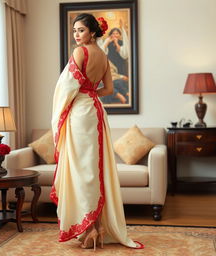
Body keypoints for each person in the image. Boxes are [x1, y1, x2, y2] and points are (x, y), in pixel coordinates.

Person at [51, 13, 144, 251]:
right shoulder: (103, 56)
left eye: (80, 30)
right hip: (96, 111)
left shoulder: (79, 53)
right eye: (74, 31)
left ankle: (91, 228)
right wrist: (90, 92)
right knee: (95, 168)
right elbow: (109, 89)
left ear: (92, 32)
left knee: (83, 170)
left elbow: (66, 89)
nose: (76, 35)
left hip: (81, 114)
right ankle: (99, 227)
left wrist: (79, 96)